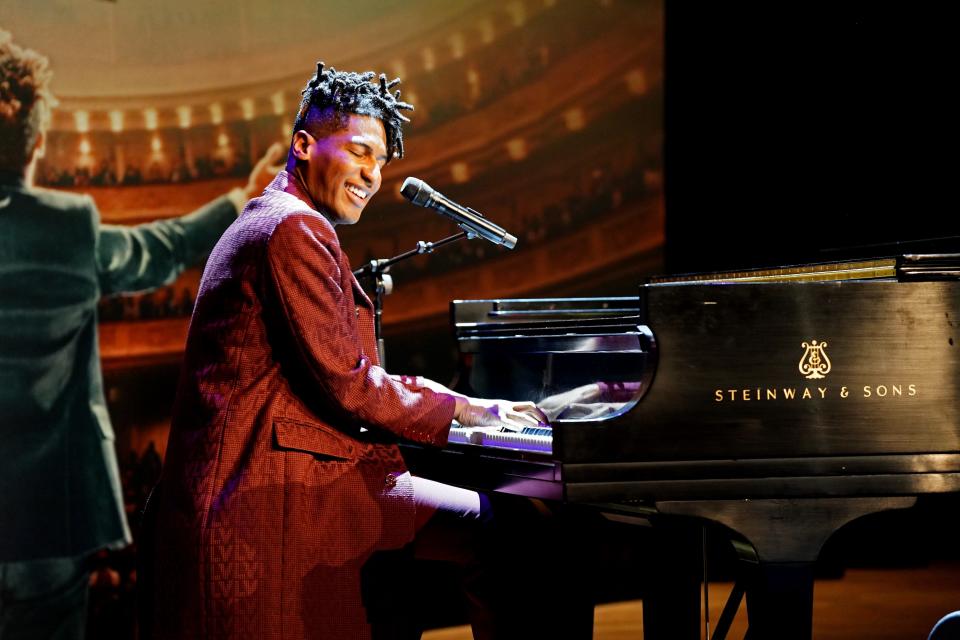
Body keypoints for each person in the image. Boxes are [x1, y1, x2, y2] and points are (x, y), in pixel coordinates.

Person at [148, 62, 552, 639]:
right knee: (513, 532)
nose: (374, 174)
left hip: (294, 475)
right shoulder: (292, 229)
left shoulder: (276, 221)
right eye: (361, 152)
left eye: (382, 161)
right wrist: (470, 410)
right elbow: (352, 384)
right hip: (276, 488)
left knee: (494, 531)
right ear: (304, 145)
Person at [0, 30, 281, 639]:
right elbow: (165, 248)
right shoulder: (69, 229)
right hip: (46, 521)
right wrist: (242, 197)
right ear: (37, 145)